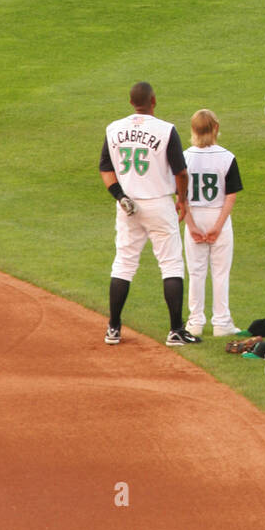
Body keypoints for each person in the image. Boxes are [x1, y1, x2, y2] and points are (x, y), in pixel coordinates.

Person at [99, 81, 201, 348]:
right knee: (171, 264)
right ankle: (176, 330)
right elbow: (181, 172)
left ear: (131, 101)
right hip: (159, 204)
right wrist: (183, 200)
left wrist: (120, 197)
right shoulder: (166, 130)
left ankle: (113, 328)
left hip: (128, 206)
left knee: (124, 263)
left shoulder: (113, 129)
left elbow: (106, 170)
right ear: (153, 100)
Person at [182, 109, 243, 338]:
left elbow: (180, 196)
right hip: (219, 215)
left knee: (196, 272)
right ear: (215, 128)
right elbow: (231, 195)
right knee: (220, 272)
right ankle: (221, 323)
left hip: (194, 215)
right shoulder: (227, 157)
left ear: (193, 130)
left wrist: (191, 225)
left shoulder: (184, 157)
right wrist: (218, 225)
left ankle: (195, 322)